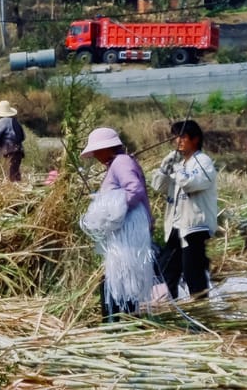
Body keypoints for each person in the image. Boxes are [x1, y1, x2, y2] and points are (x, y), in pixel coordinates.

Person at [78, 127, 153, 320]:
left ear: (107, 148)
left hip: (128, 232)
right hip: (124, 233)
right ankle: (123, 322)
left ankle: (117, 325)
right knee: (121, 279)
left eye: (96, 151)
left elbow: (134, 190)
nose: (95, 156)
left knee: (120, 280)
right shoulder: (119, 163)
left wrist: (112, 211)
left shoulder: (121, 162)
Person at [151, 119, 218, 300]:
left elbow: (190, 183)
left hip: (194, 227)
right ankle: (170, 310)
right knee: (167, 270)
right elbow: (159, 186)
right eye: (176, 137)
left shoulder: (203, 162)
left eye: (183, 137)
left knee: (193, 273)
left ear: (195, 139)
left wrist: (177, 169)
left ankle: (201, 312)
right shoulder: (180, 164)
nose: (178, 141)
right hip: (175, 226)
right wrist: (164, 168)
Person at [0, 101, 26, 183]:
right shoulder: (16, 122)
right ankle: (18, 188)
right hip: (19, 151)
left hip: (9, 151)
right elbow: (23, 137)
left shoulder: (2, 121)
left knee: (10, 174)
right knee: (15, 171)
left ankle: (13, 190)